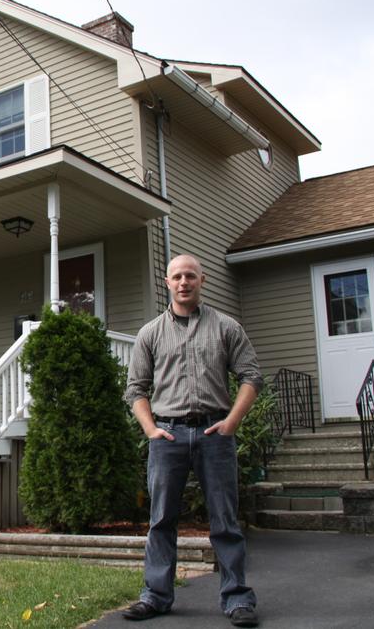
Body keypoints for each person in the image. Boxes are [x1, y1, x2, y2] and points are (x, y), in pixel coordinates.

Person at [121, 254, 262, 628]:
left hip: (215, 433)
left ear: (203, 279)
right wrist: (151, 430)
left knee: (225, 520)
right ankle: (155, 596)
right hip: (167, 435)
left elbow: (251, 377)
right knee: (161, 520)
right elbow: (135, 389)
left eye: (190, 276)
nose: (184, 282)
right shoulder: (150, 334)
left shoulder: (226, 327)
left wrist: (231, 422)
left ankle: (237, 599)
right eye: (177, 277)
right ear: (166, 282)